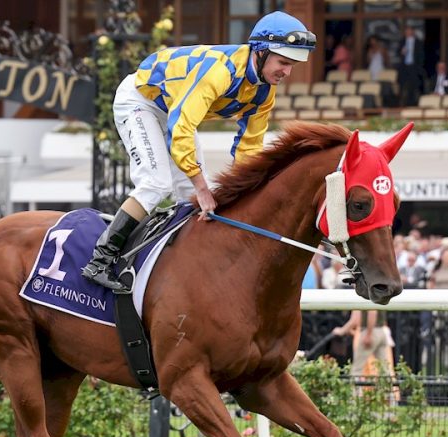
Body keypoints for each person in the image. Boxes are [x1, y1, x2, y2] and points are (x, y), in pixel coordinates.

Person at [81, 11, 316, 291]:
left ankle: (181, 268)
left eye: (292, 65)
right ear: (261, 51)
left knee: (188, 197)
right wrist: (203, 188)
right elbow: (181, 128)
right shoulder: (220, 71)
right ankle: (100, 259)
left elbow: (249, 148)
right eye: (284, 63)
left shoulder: (264, 92)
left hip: (174, 109)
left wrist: (245, 193)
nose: (287, 72)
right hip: (141, 101)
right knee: (157, 183)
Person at [398, 25, 425, 106]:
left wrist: (419, 67)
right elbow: (397, 52)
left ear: (413, 32)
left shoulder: (418, 42)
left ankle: (413, 103)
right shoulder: (402, 41)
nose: (407, 32)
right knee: (403, 85)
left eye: (409, 31)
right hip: (404, 67)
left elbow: (421, 55)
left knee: (414, 86)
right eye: (406, 31)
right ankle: (402, 103)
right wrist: (401, 52)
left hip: (414, 67)